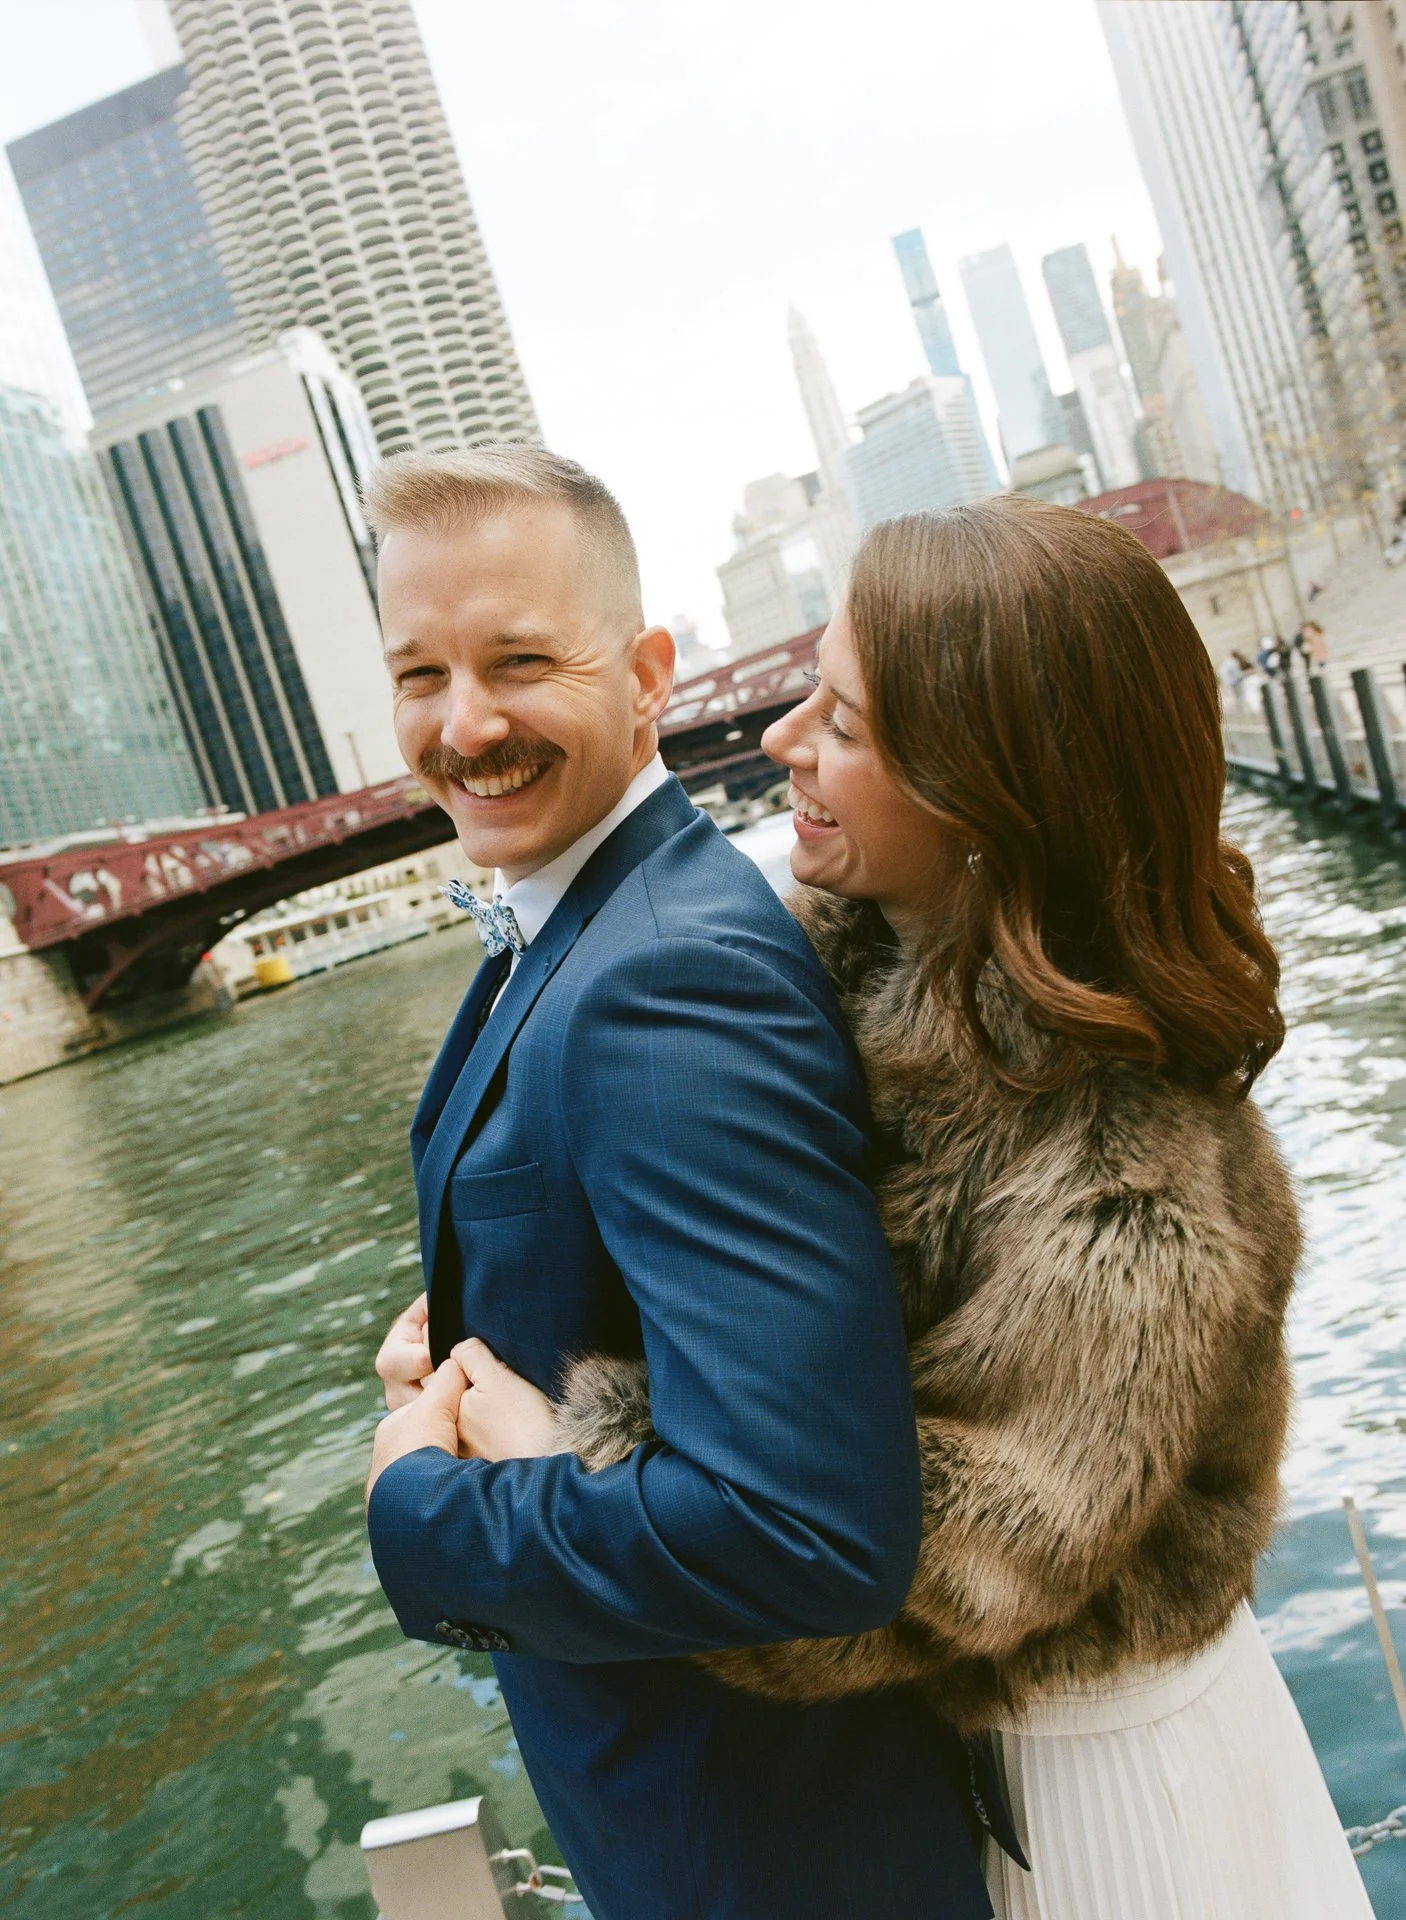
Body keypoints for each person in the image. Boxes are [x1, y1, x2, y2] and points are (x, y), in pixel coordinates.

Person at [468, 496, 1374, 1919]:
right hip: (967, 1775)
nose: (782, 740)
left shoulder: (1128, 1191)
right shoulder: (837, 983)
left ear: (990, 791)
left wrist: (563, 1458)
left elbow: (915, 1572)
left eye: (843, 722)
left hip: (1102, 1807)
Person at [361, 447, 989, 1920]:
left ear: (648, 675)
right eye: (420, 675)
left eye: (521, 661)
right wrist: (464, 1354)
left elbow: (808, 1534)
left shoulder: (666, 982)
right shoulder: (590, 921)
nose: (465, 724)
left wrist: (424, 1507)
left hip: (768, 1863)